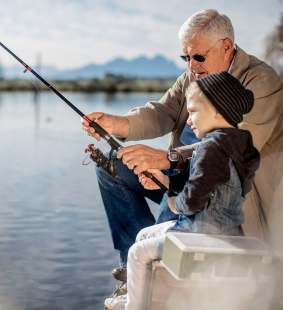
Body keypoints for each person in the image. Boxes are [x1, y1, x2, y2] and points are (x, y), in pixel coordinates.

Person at [81, 8, 283, 296]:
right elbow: (162, 112)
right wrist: (118, 124)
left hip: (227, 195)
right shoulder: (192, 76)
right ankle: (132, 273)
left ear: (227, 47)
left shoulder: (261, 81)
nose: (191, 65)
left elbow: (236, 147)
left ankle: (156, 278)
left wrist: (167, 159)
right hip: (182, 181)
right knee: (112, 166)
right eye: (185, 57)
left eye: (198, 56)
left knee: (160, 241)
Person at [104, 70, 260, 310]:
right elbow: (219, 187)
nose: (189, 120)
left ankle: (134, 306)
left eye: (194, 111)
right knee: (145, 235)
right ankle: (138, 294)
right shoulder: (242, 144)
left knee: (137, 253)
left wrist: (175, 202)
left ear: (218, 111)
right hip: (229, 229)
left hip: (201, 232)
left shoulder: (212, 148)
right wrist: (166, 185)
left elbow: (195, 198)